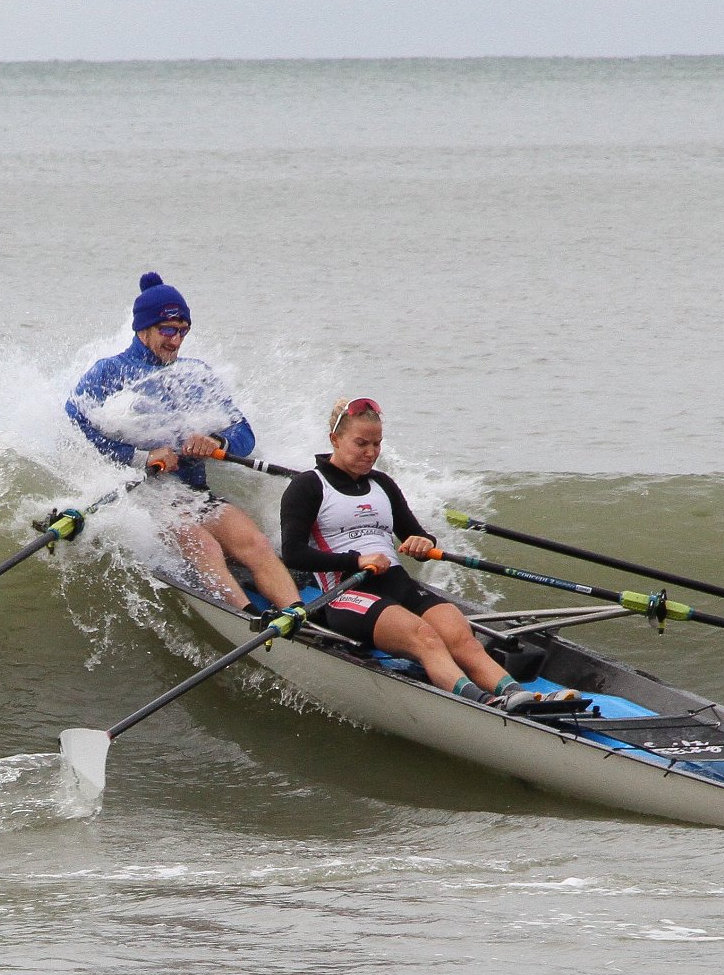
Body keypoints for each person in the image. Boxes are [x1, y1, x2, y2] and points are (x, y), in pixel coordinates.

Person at [278, 397, 574, 711]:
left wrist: (421, 543)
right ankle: (487, 703)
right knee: (425, 636)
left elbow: (416, 535)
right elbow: (293, 554)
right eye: (361, 443)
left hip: (396, 584)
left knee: (460, 635)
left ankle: (518, 695)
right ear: (335, 440)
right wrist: (356, 560)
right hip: (347, 593)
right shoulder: (308, 487)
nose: (370, 453)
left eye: (377, 444)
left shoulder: (382, 484)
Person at [66, 273, 301, 615]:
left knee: (256, 544)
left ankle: (297, 616)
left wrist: (216, 440)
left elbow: (244, 433)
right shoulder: (109, 372)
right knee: (204, 546)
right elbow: (75, 427)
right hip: (146, 497)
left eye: (183, 331)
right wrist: (139, 456)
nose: (176, 341)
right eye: (167, 330)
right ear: (143, 329)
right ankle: (251, 619)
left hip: (193, 493)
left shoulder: (195, 374)